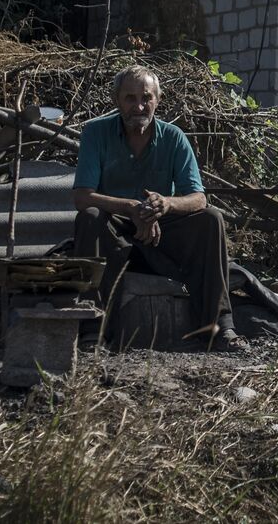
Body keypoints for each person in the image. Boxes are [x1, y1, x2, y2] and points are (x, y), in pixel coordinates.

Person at [71, 65, 237, 347]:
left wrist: (165, 205)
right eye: (130, 98)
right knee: (90, 216)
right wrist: (132, 208)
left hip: (163, 236)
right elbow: (82, 196)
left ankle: (219, 327)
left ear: (157, 100)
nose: (139, 106)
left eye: (146, 98)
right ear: (116, 101)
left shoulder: (174, 137)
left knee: (211, 219)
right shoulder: (96, 133)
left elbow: (198, 197)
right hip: (118, 232)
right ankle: (92, 329)